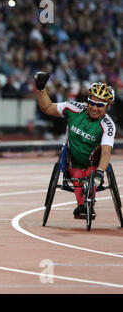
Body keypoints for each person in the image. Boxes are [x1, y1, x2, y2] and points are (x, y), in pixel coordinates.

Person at [33, 72, 116, 219]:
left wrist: (100, 172)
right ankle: (81, 206)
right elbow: (47, 108)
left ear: (107, 106)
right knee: (77, 174)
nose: (94, 108)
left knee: (90, 174)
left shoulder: (108, 125)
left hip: (94, 165)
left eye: (100, 105)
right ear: (87, 100)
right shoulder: (74, 108)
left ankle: (88, 203)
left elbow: (106, 152)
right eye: (92, 103)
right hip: (73, 162)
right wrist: (41, 88)